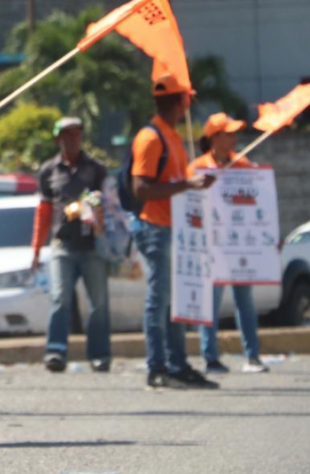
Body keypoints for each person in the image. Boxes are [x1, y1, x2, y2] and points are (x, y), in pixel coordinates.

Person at [130, 73, 219, 390]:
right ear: (181, 101)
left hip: (174, 230)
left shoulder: (170, 136)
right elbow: (141, 189)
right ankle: (158, 367)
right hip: (156, 228)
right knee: (160, 300)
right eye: (187, 98)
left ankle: (177, 364)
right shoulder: (151, 138)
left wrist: (197, 181)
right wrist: (188, 184)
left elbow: (179, 181)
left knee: (174, 300)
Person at [189, 113, 269, 375]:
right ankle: (210, 357)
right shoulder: (197, 167)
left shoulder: (243, 165)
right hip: (211, 248)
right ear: (214, 137)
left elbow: (259, 199)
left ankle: (253, 356)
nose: (234, 138)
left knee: (244, 300)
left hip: (239, 248)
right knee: (210, 302)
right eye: (228, 133)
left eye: (235, 133)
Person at [31, 117, 111, 373]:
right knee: (60, 299)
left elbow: (110, 203)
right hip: (62, 244)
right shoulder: (49, 171)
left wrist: (98, 215)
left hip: (92, 244)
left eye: (77, 134)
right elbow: (43, 211)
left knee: (98, 302)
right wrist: (35, 250)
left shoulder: (96, 168)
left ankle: (100, 355)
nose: (73, 139)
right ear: (58, 139)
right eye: (67, 135)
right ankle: (56, 352)